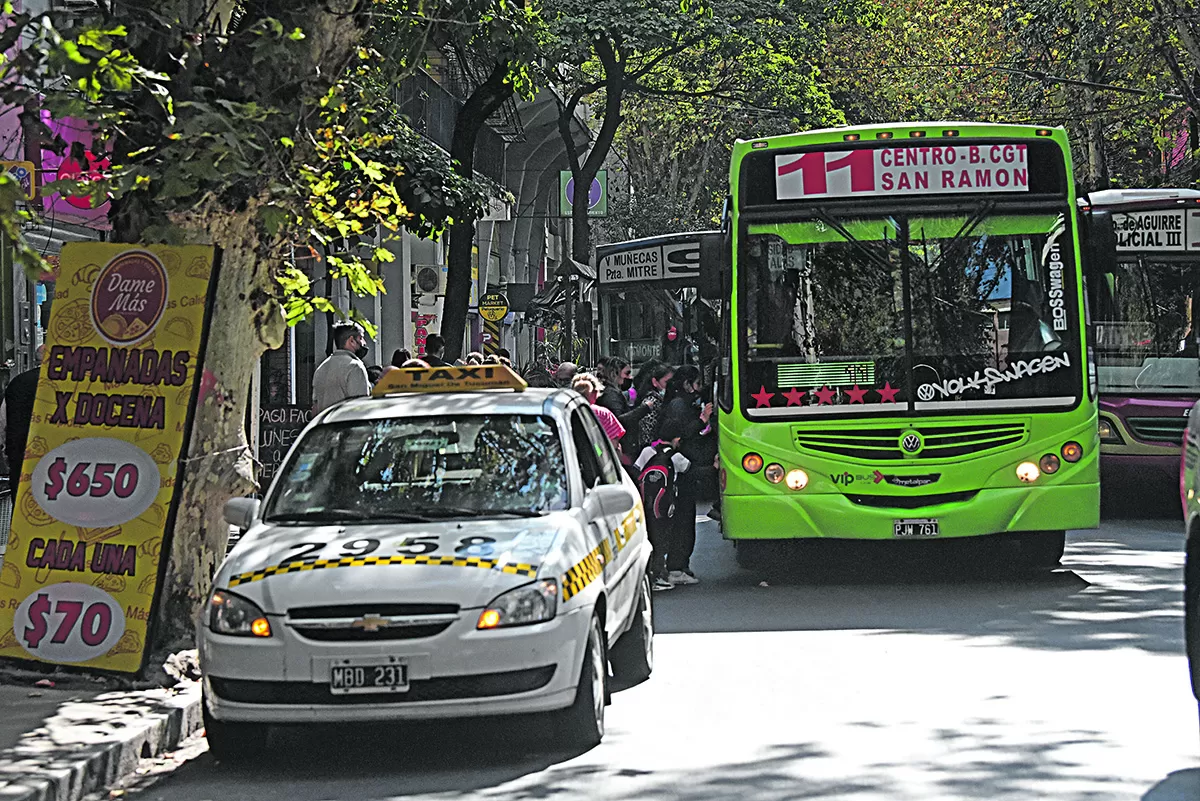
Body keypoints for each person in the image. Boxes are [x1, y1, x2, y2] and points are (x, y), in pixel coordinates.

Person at [657, 365, 714, 585]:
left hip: (686, 469)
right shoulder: (679, 406)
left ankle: (681, 565)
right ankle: (676, 566)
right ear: (687, 384)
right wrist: (701, 421)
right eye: (697, 384)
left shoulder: (682, 403)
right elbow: (682, 433)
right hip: (682, 473)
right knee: (682, 522)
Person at [635, 419, 691, 591]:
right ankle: (658, 575)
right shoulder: (676, 457)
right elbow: (689, 469)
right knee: (662, 539)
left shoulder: (647, 451)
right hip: (664, 507)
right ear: (676, 439)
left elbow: (636, 470)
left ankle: (650, 573)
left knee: (649, 537)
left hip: (645, 504)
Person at [2, 345, 43, 495]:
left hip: (21, 457)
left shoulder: (18, 383)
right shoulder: (68, 384)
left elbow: (3, 423)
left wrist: (6, 454)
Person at [596, 357, 650, 466]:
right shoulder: (611, 395)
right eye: (627, 373)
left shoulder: (613, 393)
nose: (630, 377)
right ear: (614, 373)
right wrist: (644, 409)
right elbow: (619, 420)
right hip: (620, 450)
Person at [312, 322, 371, 413]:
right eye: (361, 338)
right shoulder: (355, 367)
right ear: (351, 340)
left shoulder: (321, 368)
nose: (364, 343)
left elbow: (315, 408)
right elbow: (360, 407)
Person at [571, 373, 625, 447]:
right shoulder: (603, 413)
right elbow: (614, 444)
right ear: (595, 392)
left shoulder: (565, 412)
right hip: (597, 454)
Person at [634, 362, 674, 452]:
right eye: (667, 382)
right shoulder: (652, 402)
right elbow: (647, 434)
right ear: (655, 382)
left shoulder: (661, 400)